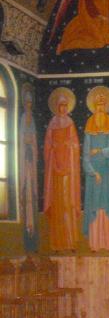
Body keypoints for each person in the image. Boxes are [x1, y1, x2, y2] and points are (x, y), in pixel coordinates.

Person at [44, 87, 81, 251]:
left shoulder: (70, 124)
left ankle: (70, 242)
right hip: (55, 169)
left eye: (66, 105)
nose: (63, 108)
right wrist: (53, 147)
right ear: (57, 107)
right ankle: (57, 243)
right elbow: (47, 145)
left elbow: (76, 145)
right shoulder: (52, 124)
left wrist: (69, 145)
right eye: (61, 106)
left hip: (67, 169)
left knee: (68, 203)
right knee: (57, 205)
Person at [83, 86, 109, 252]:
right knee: (94, 205)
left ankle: (108, 242)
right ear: (94, 107)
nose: (100, 109)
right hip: (93, 173)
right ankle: (95, 243)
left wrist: (99, 151)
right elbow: (85, 155)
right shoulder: (89, 124)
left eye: (103, 106)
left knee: (106, 203)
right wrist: (92, 172)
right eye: (97, 106)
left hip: (107, 171)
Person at [18, 84, 39, 252]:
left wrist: (32, 143)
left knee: (32, 193)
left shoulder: (32, 119)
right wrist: (26, 142)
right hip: (25, 158)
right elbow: (21, 137)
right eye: (27, 103)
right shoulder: (23, 118)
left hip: (31, 157)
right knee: (26, 194)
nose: (29, 106)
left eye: (31, 103)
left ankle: (32, 228)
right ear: (24, 104)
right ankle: (27, 228)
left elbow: (33, 138)